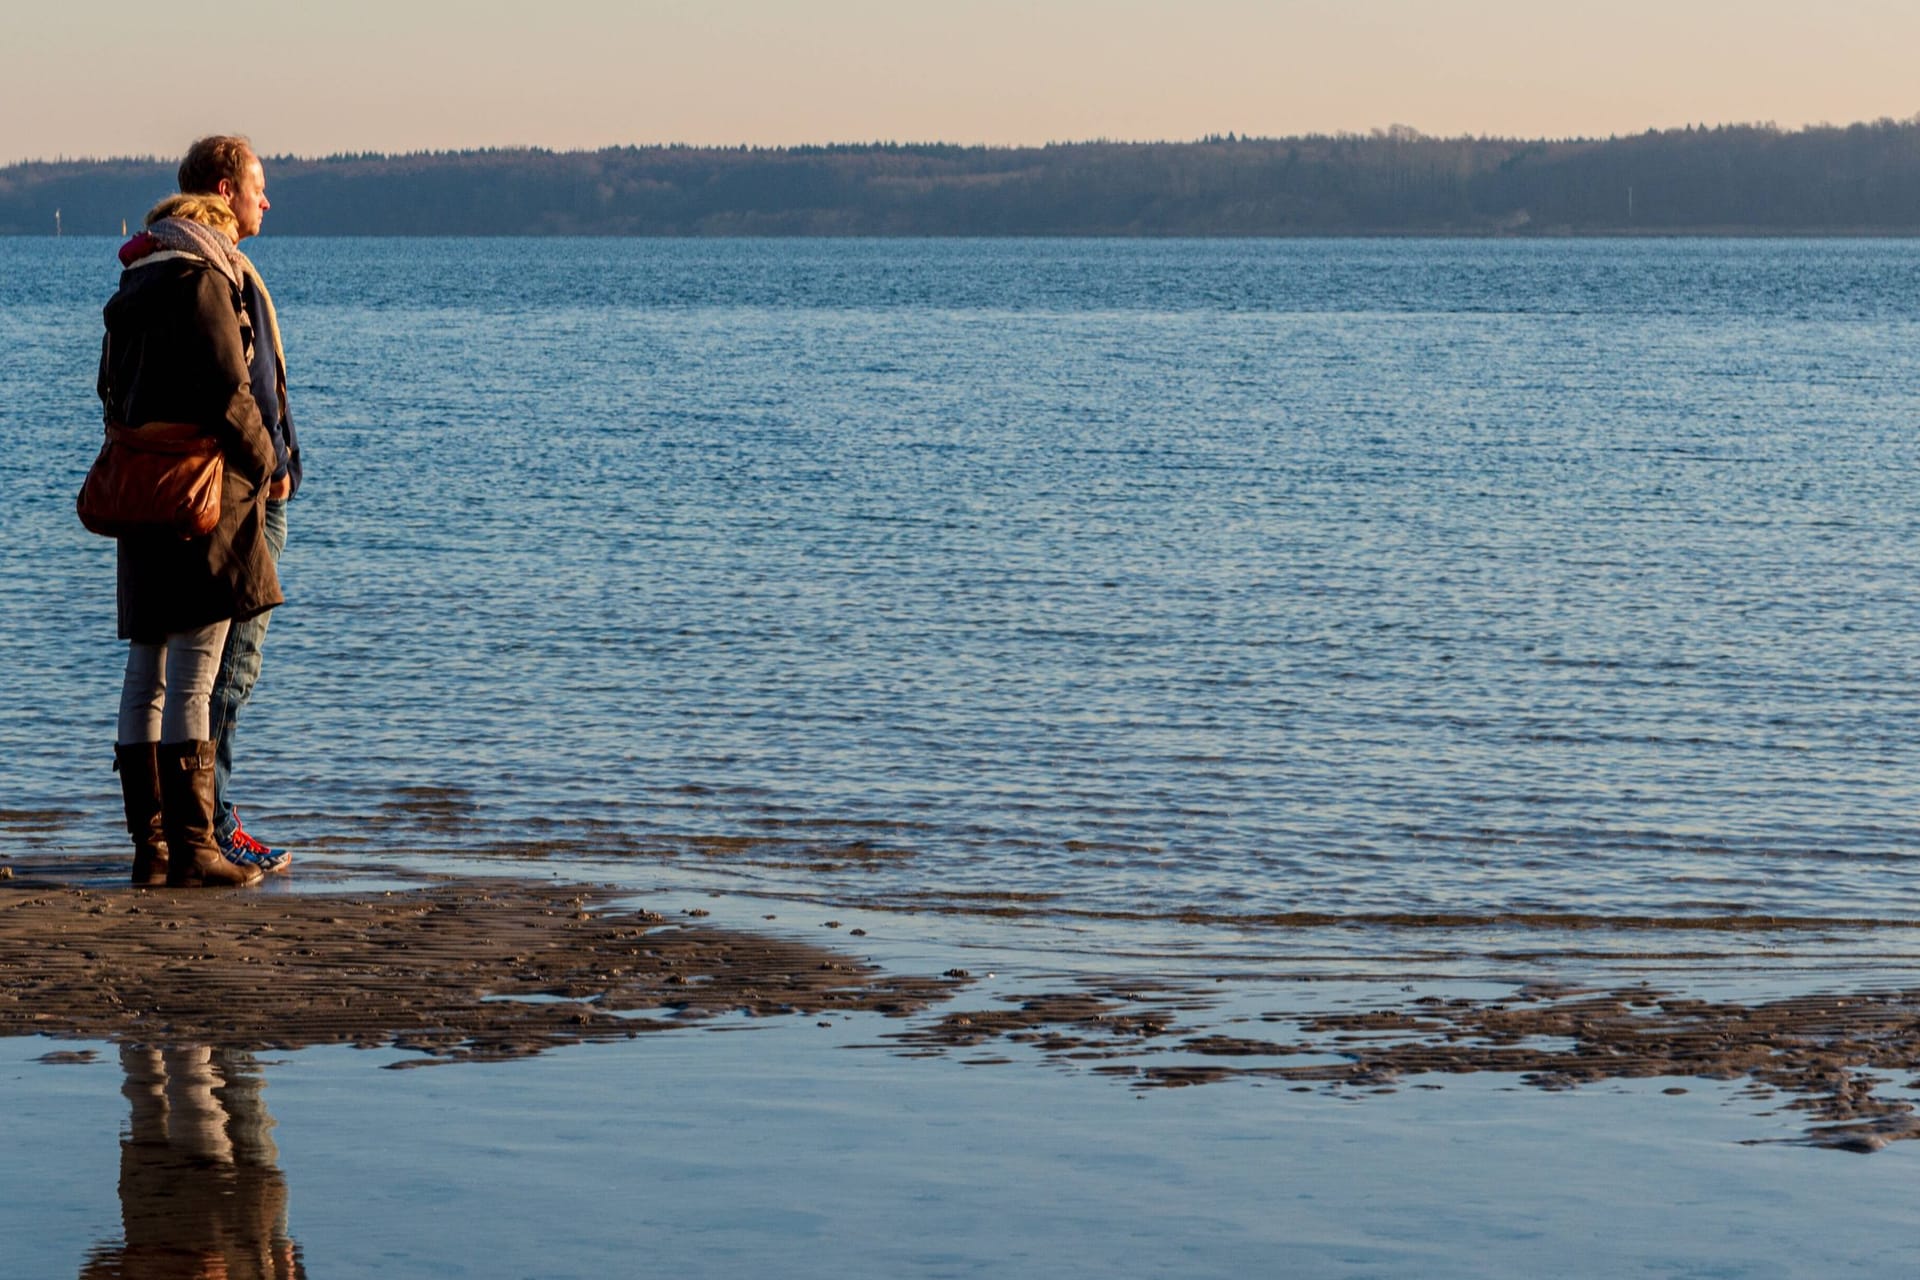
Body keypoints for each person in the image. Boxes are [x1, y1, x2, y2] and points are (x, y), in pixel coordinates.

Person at [103, 192, 281, 888]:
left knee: (144, 671)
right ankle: (195, 847)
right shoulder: (203, 282)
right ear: (209, 231)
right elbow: (230, 390)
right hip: (202, 497)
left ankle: (151, 850)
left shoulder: (133, 284)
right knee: (195, 674)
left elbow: (110, 390)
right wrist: (265, 459)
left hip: (142, 490)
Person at [178, 136, 301, 874]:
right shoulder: (218, 272)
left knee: (212, 664)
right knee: (231, 663)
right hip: (243, 495)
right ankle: (215, 824)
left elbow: (263, 383)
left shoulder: (221, 267)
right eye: (259, 186)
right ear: (227, 189)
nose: (267, 199)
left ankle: (201, 821)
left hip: (243, 486)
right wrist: (274, 467)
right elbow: (240, 390)